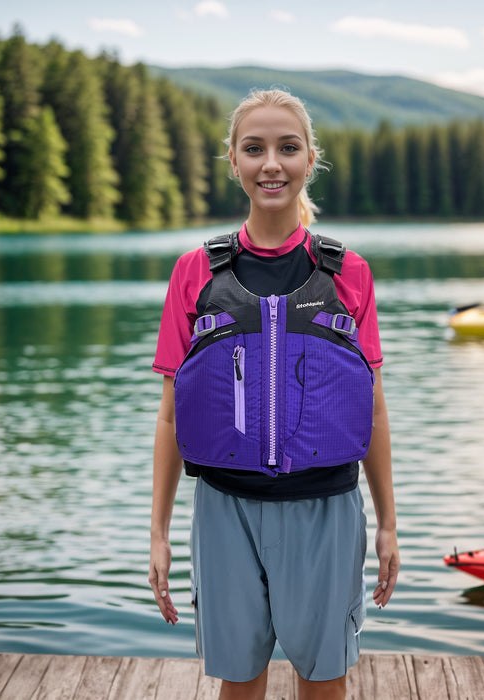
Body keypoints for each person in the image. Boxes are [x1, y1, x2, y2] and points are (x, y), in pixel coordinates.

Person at [148, 88, 399, 700]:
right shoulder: (195, 272)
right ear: (232, 160)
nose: (272, 164)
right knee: (239, 683)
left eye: (288, 148)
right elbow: (171, 415)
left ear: (310, 159)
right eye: (254, 149)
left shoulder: (349, 272)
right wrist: (157, 532)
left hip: (326, 506)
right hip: (225, 507)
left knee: (323, 681)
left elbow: (372, 403)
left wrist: (389, 523)